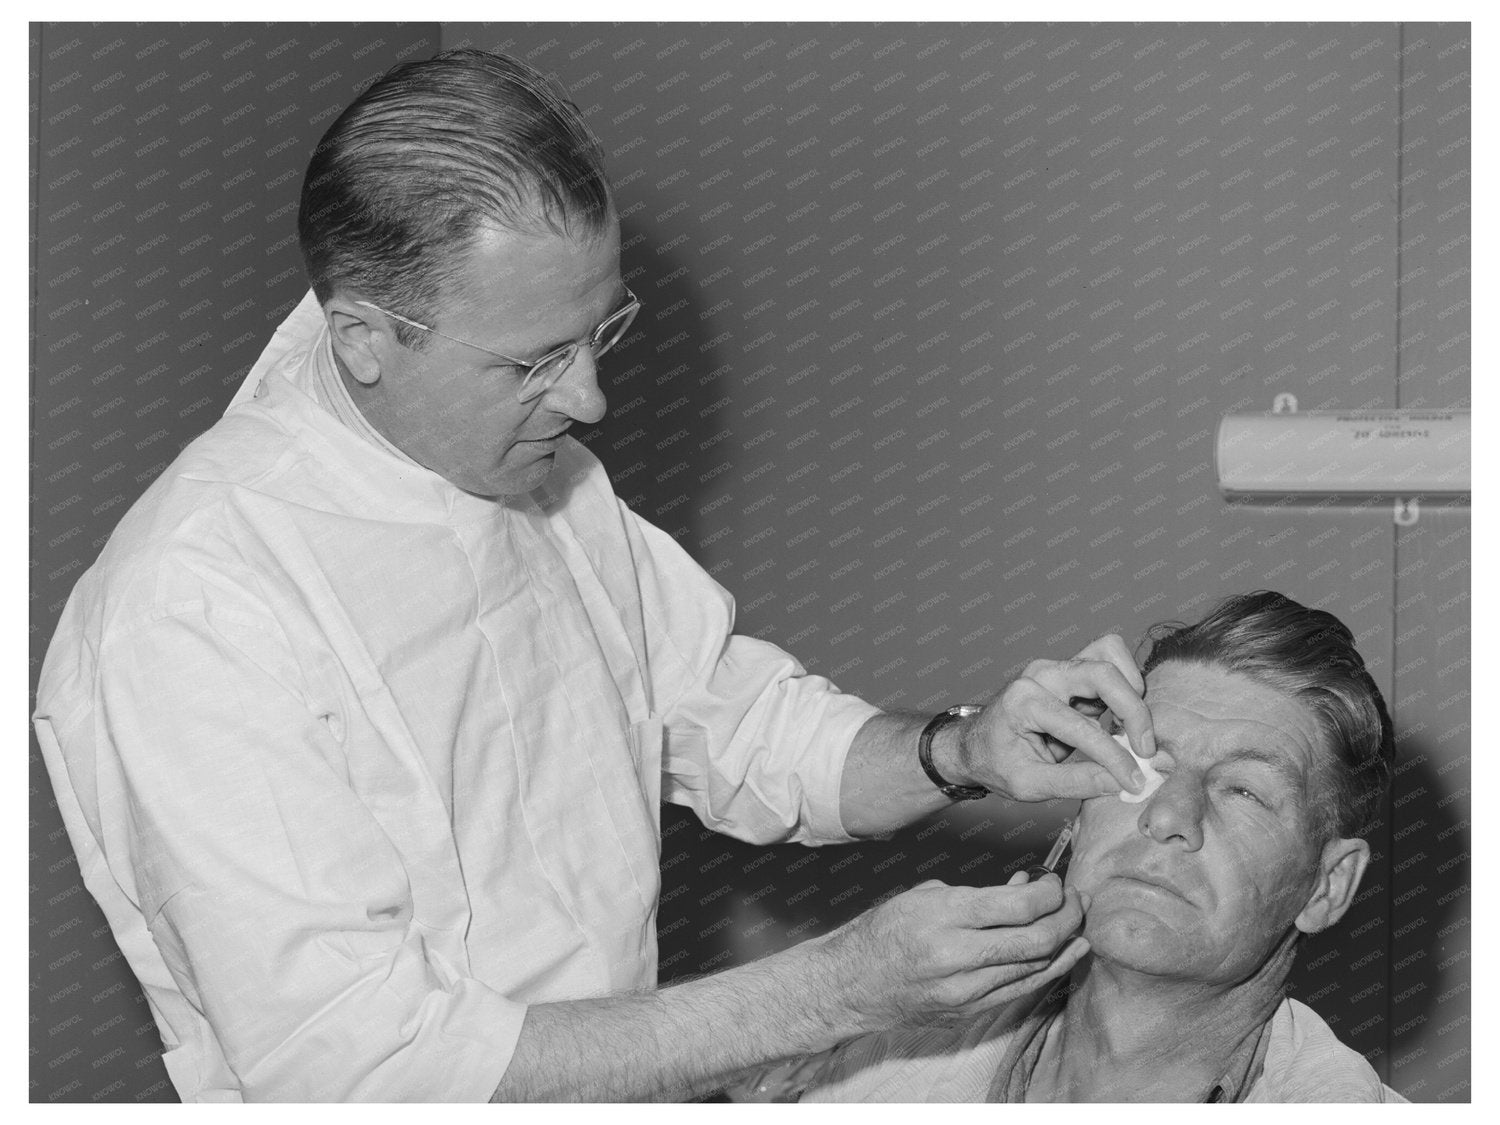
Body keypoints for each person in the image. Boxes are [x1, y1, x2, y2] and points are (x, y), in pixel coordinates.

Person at [33, 49, 1160, 1102]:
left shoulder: (542, 473)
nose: (589, 403)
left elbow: (735, 722)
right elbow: (366, 1068)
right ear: (365, 336)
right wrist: (837, 988)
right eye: (535, 362)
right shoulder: (194, 608)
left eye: (599, 333)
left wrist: (960, 748)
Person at [734, 591, 1407, 1103]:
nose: (1170, 816)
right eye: (1147, 765)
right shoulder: (866, 1057)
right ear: (1080, 814)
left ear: (1327, 886)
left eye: (1244, 791)